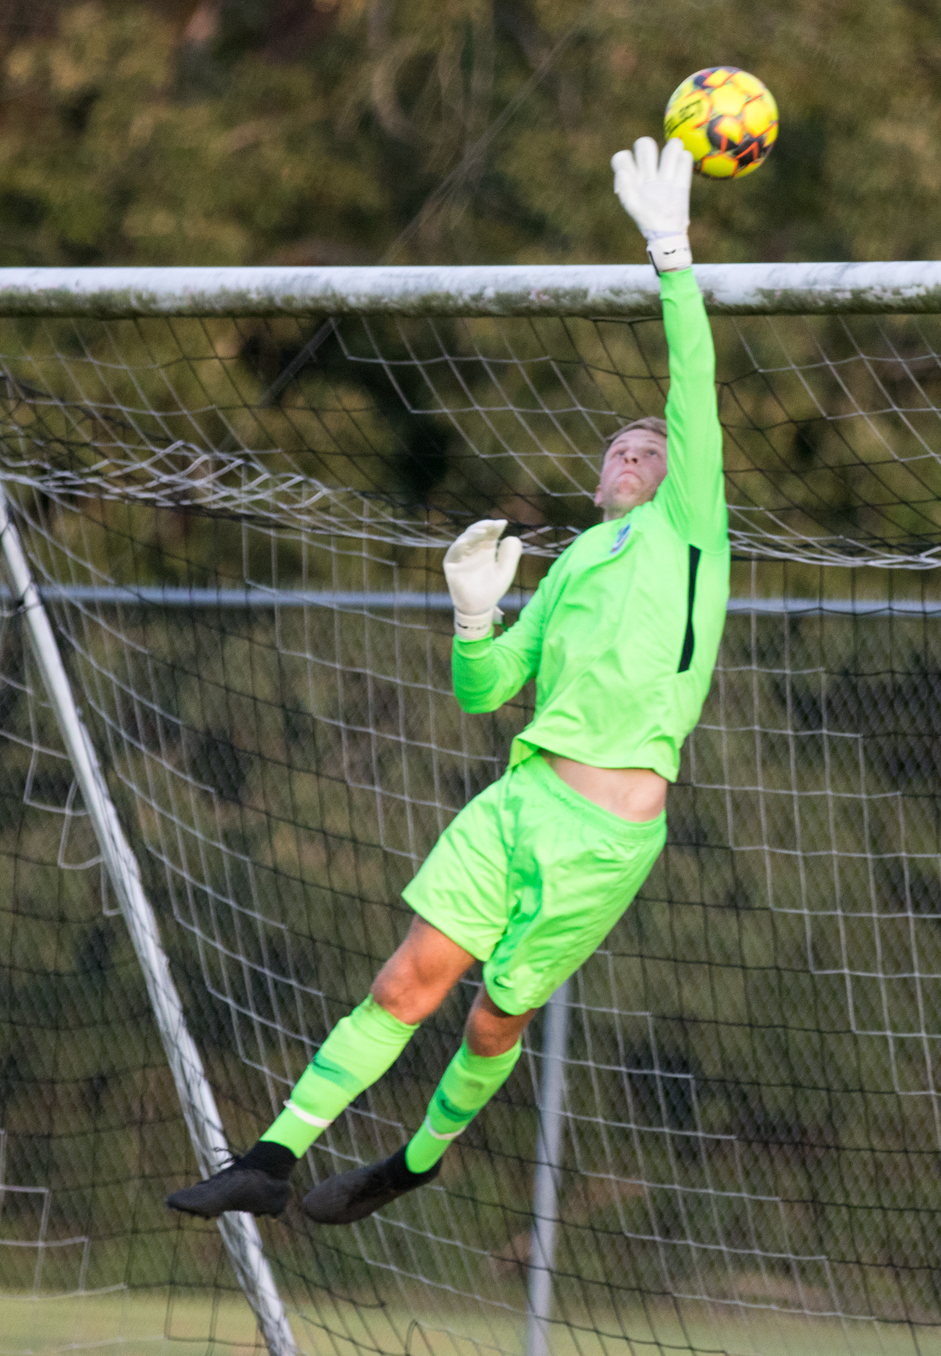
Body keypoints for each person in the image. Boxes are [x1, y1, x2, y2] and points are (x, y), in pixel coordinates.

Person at [167, 135, 729, 1227]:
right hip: (518, 802)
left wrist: (671, 253)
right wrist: (475, 615)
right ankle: (270, 1159)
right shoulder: (570, 567)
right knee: (402, 984)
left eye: (652, 447)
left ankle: (415, 1161)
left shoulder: (689, 530)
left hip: (603, 838)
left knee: (491, 1022)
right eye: (620, 446)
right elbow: (487, 690)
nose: (634, 451)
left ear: (680, 476)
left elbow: (691, 382)